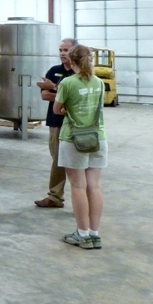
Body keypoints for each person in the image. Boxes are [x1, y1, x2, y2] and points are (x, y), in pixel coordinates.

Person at [54, 44, 107, 250]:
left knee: (78, 185)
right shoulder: (99, 82)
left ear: (72, 61)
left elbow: (57, 109)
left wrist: (68, 108)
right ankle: (94, 234)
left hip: (74, 138)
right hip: (98, 137)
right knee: (94, 186)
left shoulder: (68, 83)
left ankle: (82, 234)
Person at [34, 38, 76, 208]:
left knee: (76, 162)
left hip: (75, 124)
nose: (62, 53)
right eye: (60, 50)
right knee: (57, 160)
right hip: (56, 122)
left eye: (66, 50)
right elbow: (45, 95)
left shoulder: (80, 73)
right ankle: (55, 197)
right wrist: (66, 96)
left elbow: (78, 97)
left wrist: (56, 90)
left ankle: (80, 197)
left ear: (75, 51)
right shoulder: (54, 70)